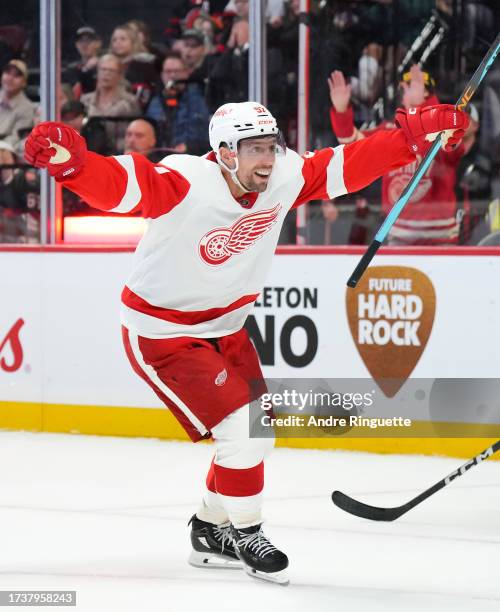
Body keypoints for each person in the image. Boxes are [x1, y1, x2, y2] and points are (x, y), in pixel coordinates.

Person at [23, 100, 468, 583]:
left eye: (271, 146)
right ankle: (247, 532)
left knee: (258, 433)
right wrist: (75, 165)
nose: (267, 159)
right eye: (254, 149)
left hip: (228, 328)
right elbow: (121, 184)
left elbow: (342, 166)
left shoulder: (280, 177)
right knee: (243, 429)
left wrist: (410, 140)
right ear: (225, 153)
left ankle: (210, 528)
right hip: (165, 334)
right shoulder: (186, 182)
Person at [328, 65, 476, 245]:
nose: (405, 92)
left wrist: (424, 108)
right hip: (398, 235)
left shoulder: (443, 129)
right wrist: (342, 110)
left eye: (411, 87)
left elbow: (453, 144)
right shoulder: (390, 130)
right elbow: (351, 143)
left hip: (440, 237)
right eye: (405, 87)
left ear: (428, 94)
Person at [145, 53, 210, 155]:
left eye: (177, 71)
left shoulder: (199, 98)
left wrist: (189, 146)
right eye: (168, 72)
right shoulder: (155, 100)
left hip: (190, 155)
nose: (172, 75)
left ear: (186, 73)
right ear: (162, 75)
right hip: (159, 156)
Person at [0, 60, 35, 150]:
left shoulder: (26, 108)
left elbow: (15, 138)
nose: (10, 78)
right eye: (8, 73)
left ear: (24, 83)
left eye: (16, 76)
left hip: (6, 151)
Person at [64, 27, 102, 96]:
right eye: (80, 41)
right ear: (76, 45)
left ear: (98, 43)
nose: (84, 44)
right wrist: (86, 69)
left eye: (88, 40)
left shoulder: (106, 66)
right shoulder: (72, 69)